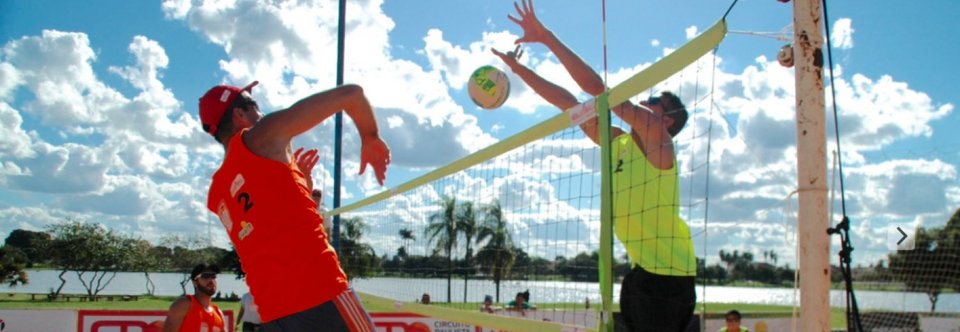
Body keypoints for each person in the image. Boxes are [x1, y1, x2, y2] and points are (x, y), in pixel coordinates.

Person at [493, 1, 695, 331]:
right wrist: (518, 70)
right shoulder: (618, 143)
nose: (646, 102)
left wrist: (547, 37)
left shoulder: (660, 142)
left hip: (670, 276)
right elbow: (568, 104)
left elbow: (600, 90)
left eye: (654, 102)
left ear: (667, 119)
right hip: (642, 272)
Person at [200, 80, 390, 332]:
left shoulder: (217, 192)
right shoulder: (259, 137)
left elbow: (269, 227)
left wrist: (298, 183)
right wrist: (371, 137)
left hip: (273, 313)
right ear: (239, 114)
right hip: (321, 293)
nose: (262, 111)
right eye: (254, 105)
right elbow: (351, 94)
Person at [161, 263, 226, 332]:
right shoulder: (184, 305)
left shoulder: (218, 313)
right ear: (195, 282)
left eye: (213, 276)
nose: (211, 280)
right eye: (205, 276)